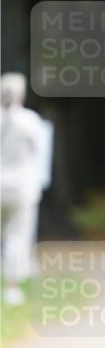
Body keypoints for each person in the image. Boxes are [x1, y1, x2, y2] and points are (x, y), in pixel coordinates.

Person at [0, 72, 50, 306]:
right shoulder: (29, 120)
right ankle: (11, 286)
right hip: (21, 185)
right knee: (16, 236)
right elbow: (40, 152)